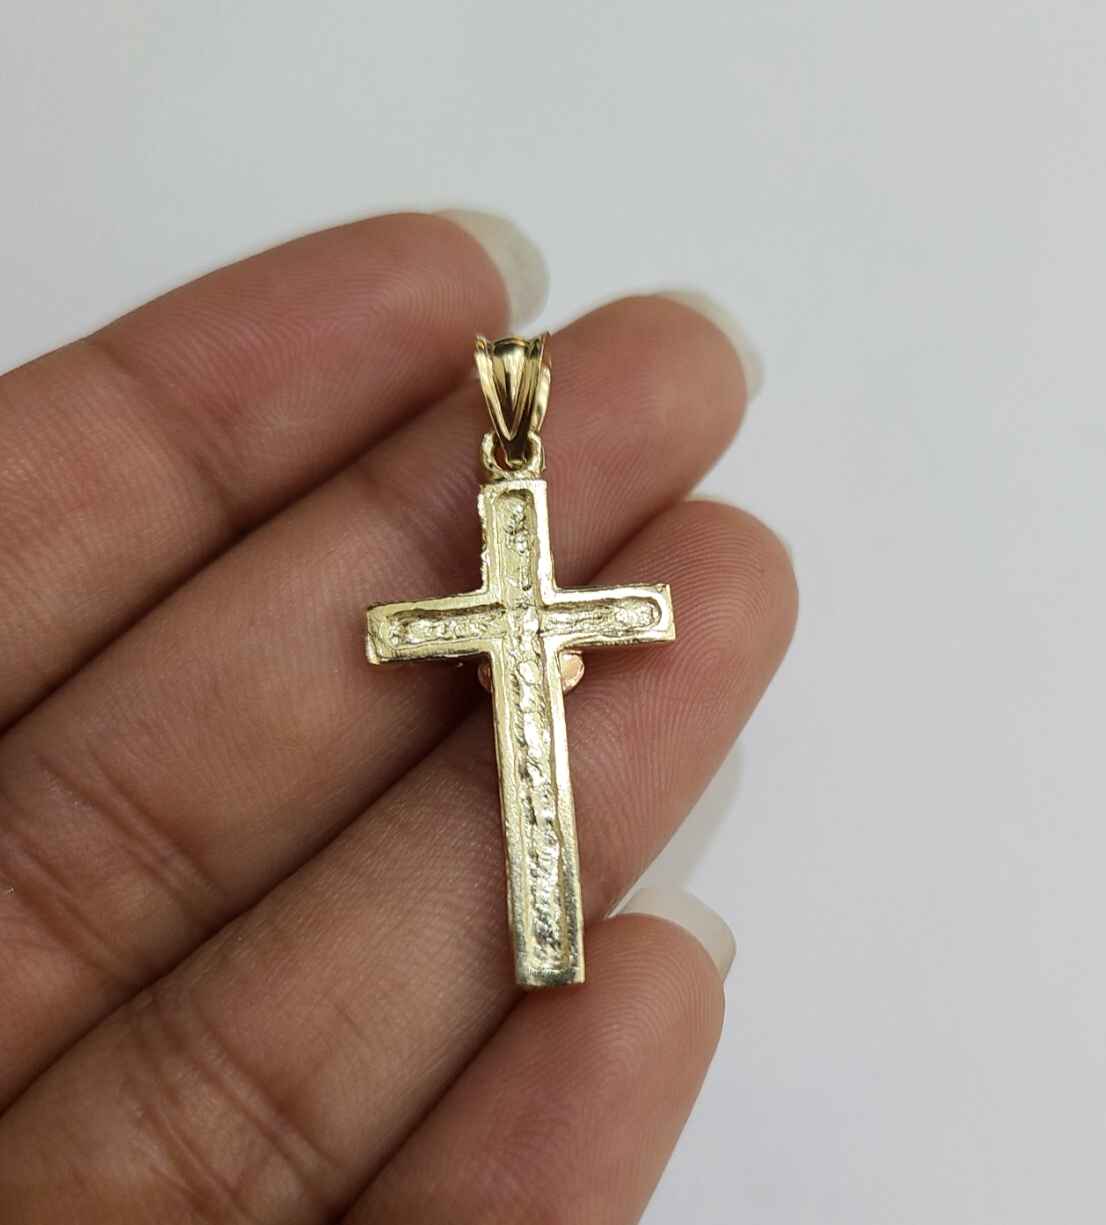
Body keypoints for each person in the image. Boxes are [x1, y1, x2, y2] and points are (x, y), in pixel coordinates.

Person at [0, 209, 796, 1221]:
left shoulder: (545, 578)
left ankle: (546, 940)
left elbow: (646, 610)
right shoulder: (479, 590)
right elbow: (391, 628)